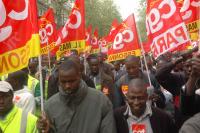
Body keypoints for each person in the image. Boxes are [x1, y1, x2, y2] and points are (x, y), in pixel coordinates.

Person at [37, 59, 116, 133]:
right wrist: (47, 130)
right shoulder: (50, 106)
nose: (67, 85)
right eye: (63, 82)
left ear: (79, 76)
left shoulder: (101, 101)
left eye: (71, 81)